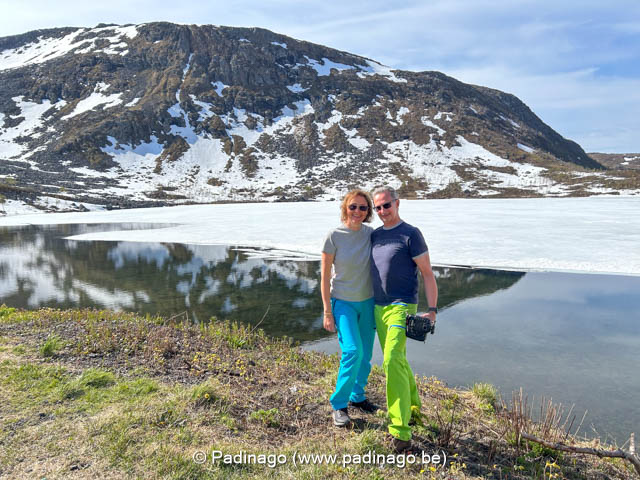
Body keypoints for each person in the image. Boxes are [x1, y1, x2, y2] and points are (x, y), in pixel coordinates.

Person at [370, 186, 438, 452]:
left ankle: (400, 431)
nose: (382, 211)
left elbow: (427, 273)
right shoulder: (375, 235)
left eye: (386, 205)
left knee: (391, 359)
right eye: (378, 207)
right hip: (378, 307)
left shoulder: (411, 234)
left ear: (397, 203)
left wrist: (432, 309)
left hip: (402, 306)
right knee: (397, 359)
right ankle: (414, 407)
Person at [321, 189, 379, 427]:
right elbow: (325, 277)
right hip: (343, 303)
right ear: (345, 207)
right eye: (353, 206)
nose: (357, 211)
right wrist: (327, 311)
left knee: (365, 355)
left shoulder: (371, 235)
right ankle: (339, 404)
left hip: (368, 302)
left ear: (368, 211)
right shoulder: (334, 236)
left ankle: (358, 396)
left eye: (363, 208)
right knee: (352, 351)